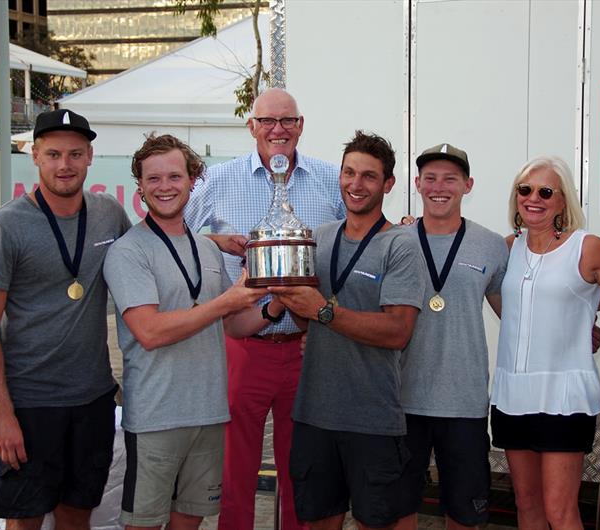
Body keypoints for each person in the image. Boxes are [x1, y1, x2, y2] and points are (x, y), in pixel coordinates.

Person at [184, 88, 344, 530]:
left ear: (301, 126)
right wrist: (217, 242)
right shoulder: (219, 181)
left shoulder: (331, 180)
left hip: (309, 347)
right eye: (268, 121)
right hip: (243, 344)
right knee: (235, 467)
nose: (279, 130)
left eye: (288, 121)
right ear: (251, 125)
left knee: (302, 465)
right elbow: (174, 234)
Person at [0, 109, 131, 529]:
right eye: (54, 154)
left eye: (75, 154)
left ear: (90, 157)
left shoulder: (109, 213)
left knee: (77, 515)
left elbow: (149, 253)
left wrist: (210, 242)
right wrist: (2, 415)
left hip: (92, 399)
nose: (65, 165)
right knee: (25, 520)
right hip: (29, 404)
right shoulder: (3, 227)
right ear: (35, 156)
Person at [103, 134, 271, 530]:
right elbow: (149, 332)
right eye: (154, 179)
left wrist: (277, 306)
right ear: (140, 187)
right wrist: (227, 301)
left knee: (190, 521)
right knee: (142, 524)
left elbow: (230, 326)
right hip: (156, 418)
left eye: (175, 176)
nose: (165, 187)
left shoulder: (208, 249)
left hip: (209, 413)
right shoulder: (129, 251)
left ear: (193, 180)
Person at [270, 131, 424, 530]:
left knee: (378, 522)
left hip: (372, 417)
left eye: (369, 176)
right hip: (315, 415)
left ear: (388, 184)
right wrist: (287, 301)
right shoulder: (319, 237)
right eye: (349, 173)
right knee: (319, 521)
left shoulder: (401, 245)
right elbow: (307, 319)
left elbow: (397, 331)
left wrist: (323, 312)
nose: (356, 185)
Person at [490, 156, 600, 530]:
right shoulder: (507, 247)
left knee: (559, 510)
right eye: (525, 190)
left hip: (564, 398)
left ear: (563, 201)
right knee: (526, 504)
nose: (534, 198)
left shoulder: (587, 247)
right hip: (513, 395)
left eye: (546, 192)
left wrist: (583, 315)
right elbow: (507, 306)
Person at [398, 143, 507, 529]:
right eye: (430, 178)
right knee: (398, 509)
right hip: (402, 400)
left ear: (467, 185)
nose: (438, 187)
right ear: (417, 184)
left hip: (464, 403)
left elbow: (513, 313)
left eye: (450, 178)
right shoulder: (395, 242)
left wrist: (577, 329)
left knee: (465, 512)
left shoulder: (492, 245)